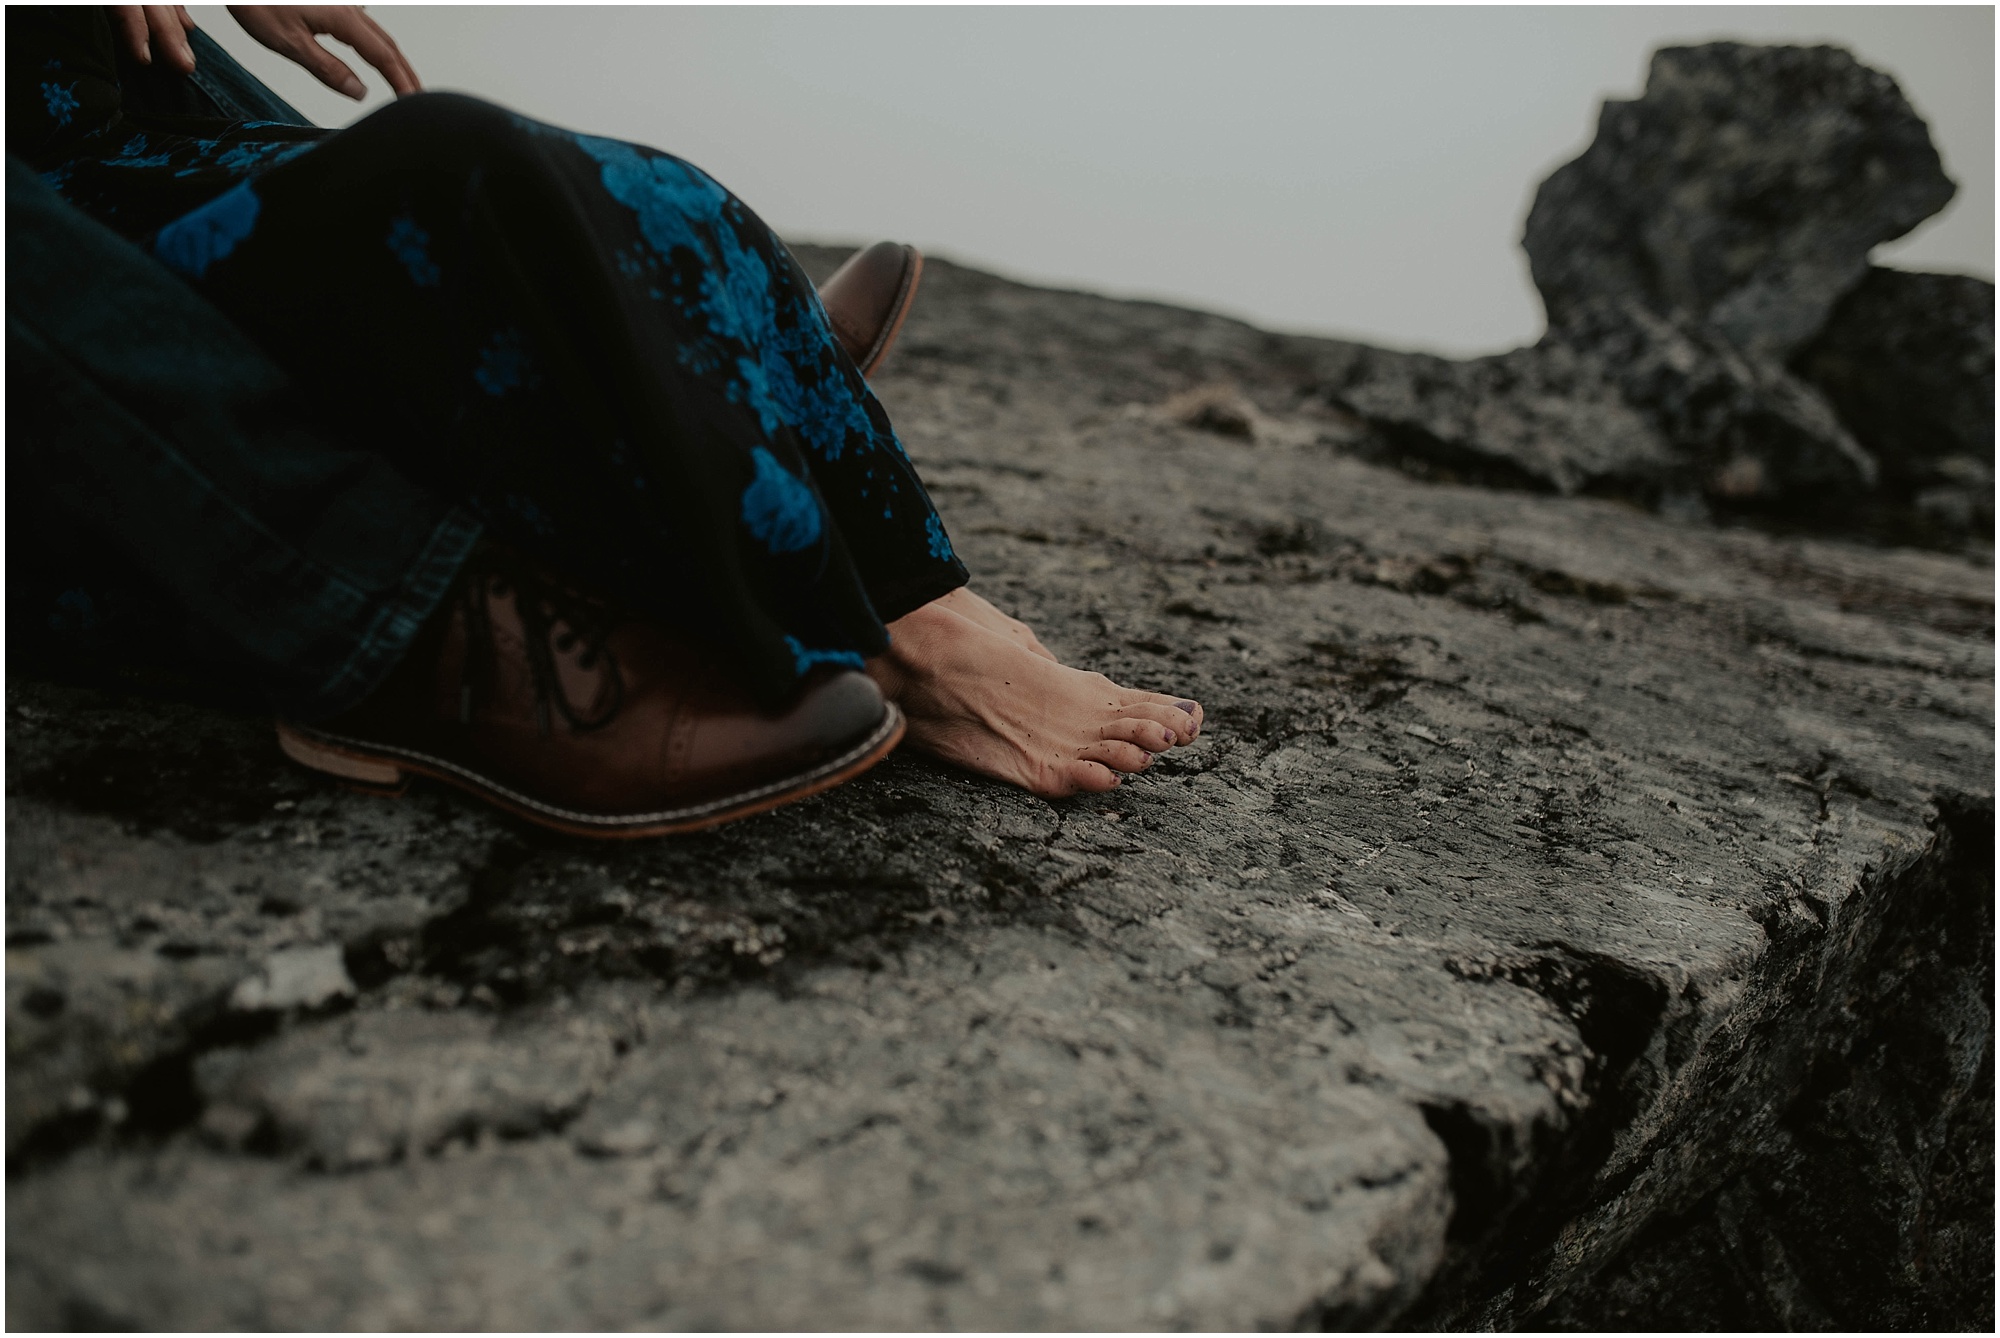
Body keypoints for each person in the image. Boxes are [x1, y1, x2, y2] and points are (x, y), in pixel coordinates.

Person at [9, 5, 1204, 837]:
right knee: (460, 192)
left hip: (78, 126)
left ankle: (700, 404)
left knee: (539, 185)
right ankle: (419, 608)